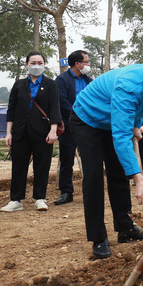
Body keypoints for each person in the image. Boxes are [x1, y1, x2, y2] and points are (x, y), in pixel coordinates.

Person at [69, 52, 143, 259]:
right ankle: (98, 238)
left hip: (113, 120)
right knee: (94, 176)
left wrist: (133, 125)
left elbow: (138, 108)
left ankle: (125, 228)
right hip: (87, 119)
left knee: (119, 173)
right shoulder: (128, 86)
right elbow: (120, 137)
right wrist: (139, 178)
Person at [1, 51, 62, 213]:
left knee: (42, 165)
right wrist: (9, 133)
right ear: (27, 65)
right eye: (33, 62)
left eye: (40, 63)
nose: (36, 66)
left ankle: (40, 198)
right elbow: (11, 109)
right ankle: (16, 200)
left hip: (43, 132)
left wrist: (53, 130)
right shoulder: (19, 85)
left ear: (44, 65)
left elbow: (55, 109)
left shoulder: (51, 85)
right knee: (18, 165)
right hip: (20, 132)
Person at [53, 50, 93, 205]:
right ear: (77, 64)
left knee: (90, 159)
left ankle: (90, 192)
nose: (88, 65)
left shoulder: (89, 80)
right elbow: (61, 101)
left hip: (88, 125)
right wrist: (77, 115)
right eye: (86, 61)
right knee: (67, 159)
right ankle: (66, 192)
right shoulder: (62, 80)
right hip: (69, 124)